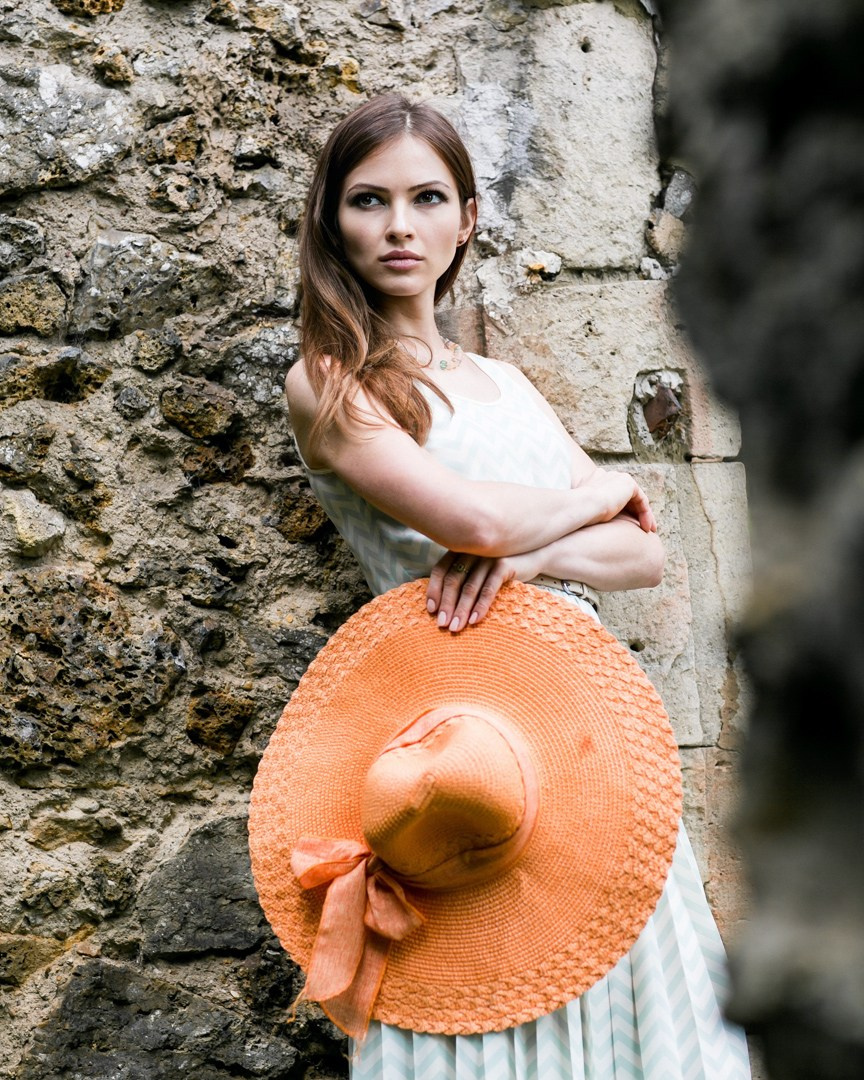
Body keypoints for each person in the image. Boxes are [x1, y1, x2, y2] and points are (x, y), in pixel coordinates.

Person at [283, 92, 750, 1080]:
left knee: (632, 994)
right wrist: (604, 493)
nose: (400, 226)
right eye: (369, 201)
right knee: (484, 993)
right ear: (332, 219)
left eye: (425, 198)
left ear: (466, 218)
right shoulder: (332, 383)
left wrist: (536, 557)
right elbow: (477, 524)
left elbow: (645, 557)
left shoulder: (509, 386)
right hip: (463, 749)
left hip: (587, 732)